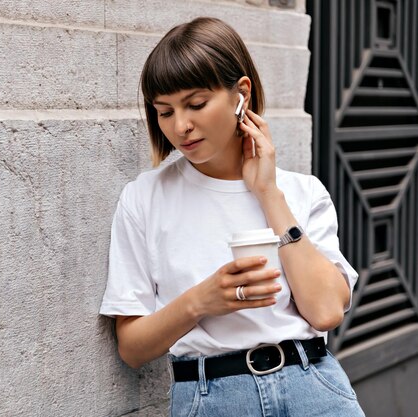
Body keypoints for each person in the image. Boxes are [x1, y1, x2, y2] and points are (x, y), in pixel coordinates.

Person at [99, 17, 365, 417]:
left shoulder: (302, 191)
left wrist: (268, 194)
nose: (181, 126)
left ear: (241, 93)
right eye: (164, 112)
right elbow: (132, 348)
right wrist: (202, 301)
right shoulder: (144, 198)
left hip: (315, 389)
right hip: (211, 397)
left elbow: (326, 311)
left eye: (196, 104)